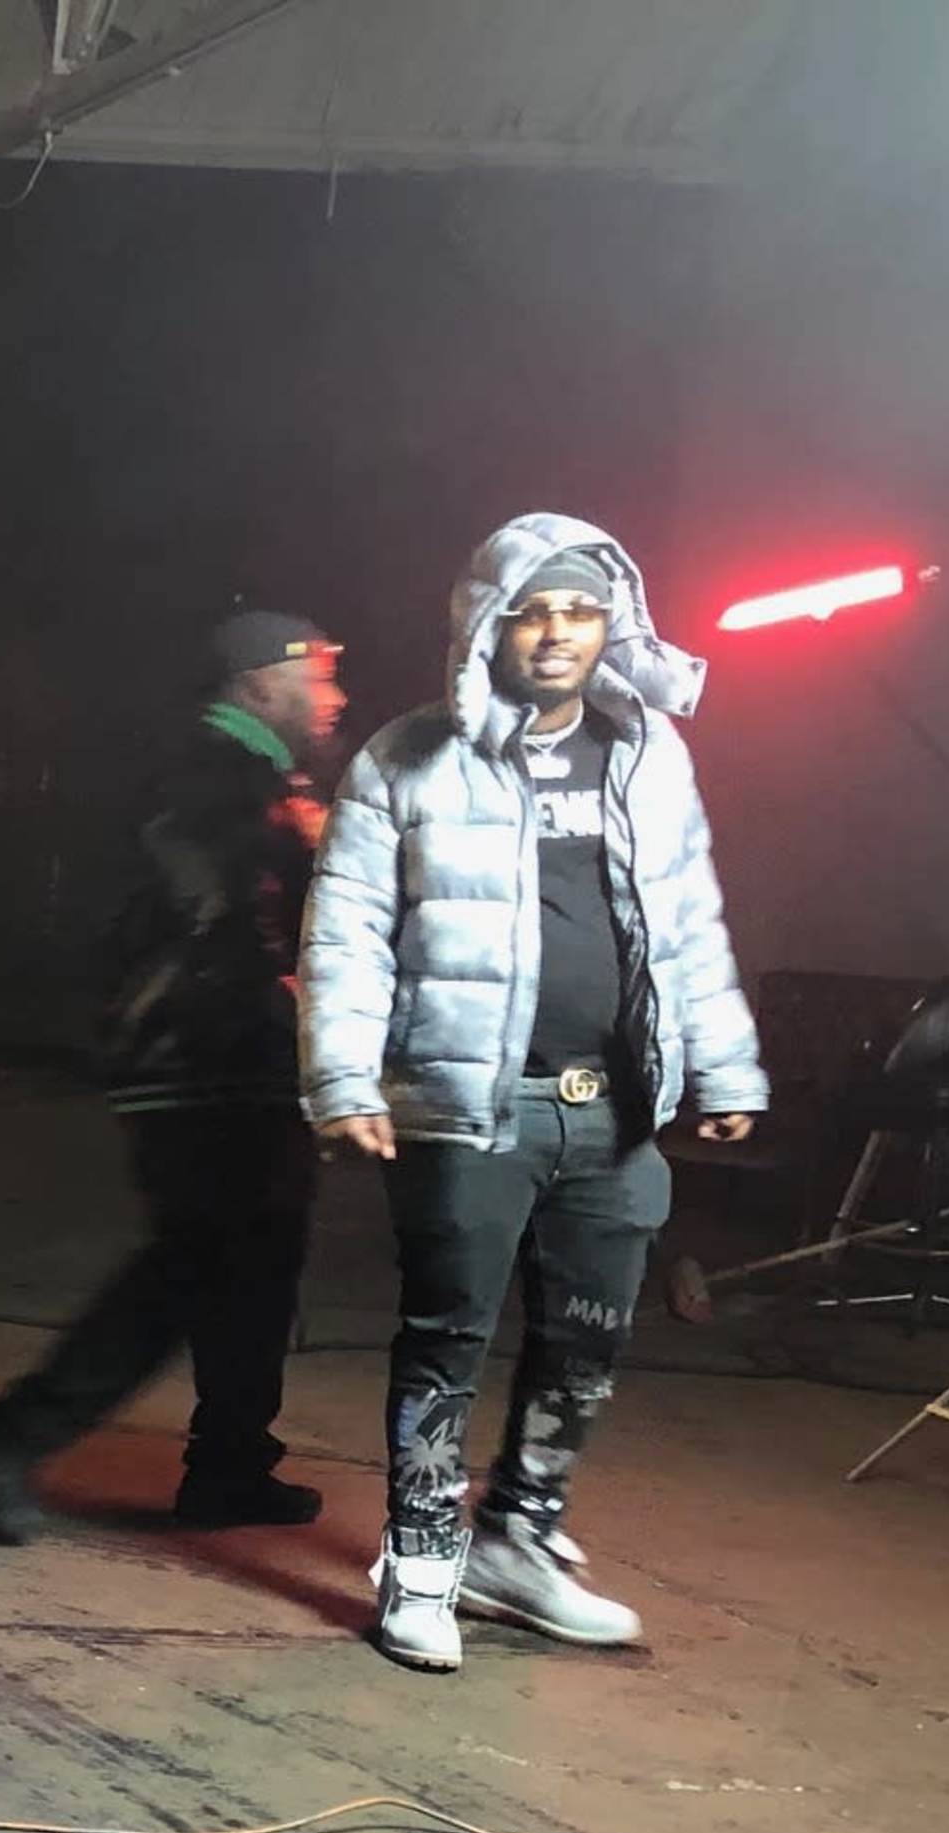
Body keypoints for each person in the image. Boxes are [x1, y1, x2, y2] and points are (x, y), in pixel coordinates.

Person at [301, 514, 765, 1673]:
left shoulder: (650, 752)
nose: (556, 632)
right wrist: (343, 1075)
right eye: (533, 611)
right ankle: (419, 1568)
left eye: (580, 610)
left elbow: (688, 914)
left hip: (612, 1110)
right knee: (446, 1338)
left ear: (614, 626)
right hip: (473, 1105)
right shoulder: (407, 755)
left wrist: (724, 1062)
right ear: (489, 624)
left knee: (586, 1345)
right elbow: (349, 925)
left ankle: (520, 1543)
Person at [0, 609, 347, 1543]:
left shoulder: (259, 776)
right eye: (318, 678)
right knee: (197, 1259)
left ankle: (230, 1468)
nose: (335, 697)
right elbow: (207, 901)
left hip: (242, 1049)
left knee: (263, 1258)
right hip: (197, 1053)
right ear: (258, 685)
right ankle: (9, 1437)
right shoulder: (212, 771)